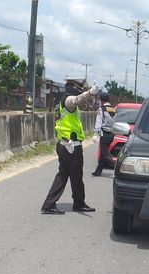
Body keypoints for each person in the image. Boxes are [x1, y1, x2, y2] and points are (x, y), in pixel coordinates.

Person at [41, 78, 99, 214]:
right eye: (79, 87)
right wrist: (90, 93)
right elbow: (77, 99)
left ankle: (50, 204)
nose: (81, 89)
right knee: (76, 176)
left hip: (65, 144)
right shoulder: (68, 101)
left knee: (64, 175)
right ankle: (77, 204)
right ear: (72, 86)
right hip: (70, 146)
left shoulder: (62, 102)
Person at [91, 92, 115, 176]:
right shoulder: (113, 109)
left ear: (101, 100)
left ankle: (117, 165)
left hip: (104, 134)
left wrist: (96, 133)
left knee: (104, 153)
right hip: (112, 134)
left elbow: (99, 122)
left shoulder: (102, 109)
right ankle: (98, 171)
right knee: (102, 153)